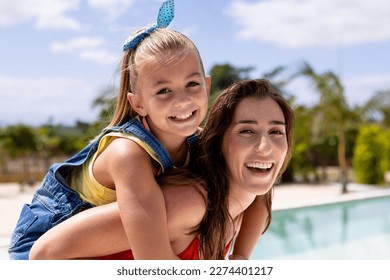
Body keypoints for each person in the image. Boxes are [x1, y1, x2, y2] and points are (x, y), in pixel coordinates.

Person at [9, 0, 210, 260]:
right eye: (163, 90)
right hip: (43, 251)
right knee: (186, 204)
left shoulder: (200, 139)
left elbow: (252, 188)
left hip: (100, 244)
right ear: (137, 103)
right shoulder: (128, 153)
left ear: (207, 85)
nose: (182, 100)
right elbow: (153, 261)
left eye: (192, 84)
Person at [29, 79, 295, 260]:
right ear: (218, 141)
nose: (265, 147)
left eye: (276, 132)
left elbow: (262, 199)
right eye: (246, 131)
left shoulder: (248, 196)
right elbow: (45, 252)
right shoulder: (189, 205)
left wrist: (240, 258)